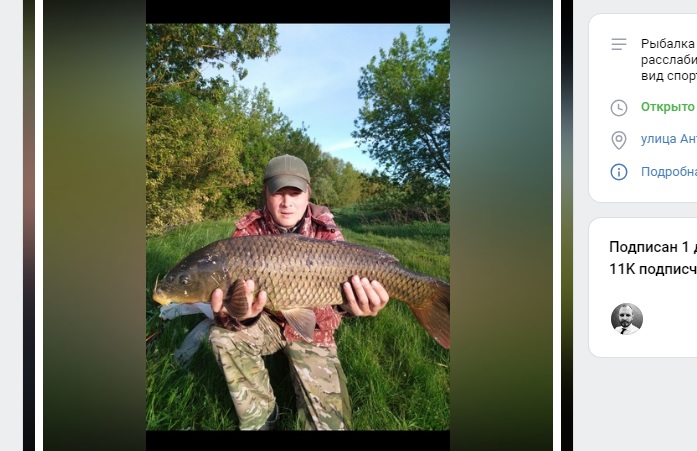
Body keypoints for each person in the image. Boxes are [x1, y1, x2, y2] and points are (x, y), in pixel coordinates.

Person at [208, 154, 390, 431]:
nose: (287, 202)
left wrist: (351, 307)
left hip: (314, 328)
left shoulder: (326, 231)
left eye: (295, 193)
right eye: (278, 192)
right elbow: (231, 312)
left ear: (308, 193)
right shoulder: (247, 235)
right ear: (265, 193)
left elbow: (339, 303)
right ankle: (261, 419)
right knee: (222, 335)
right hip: (266, 322)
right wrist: (242, 316)